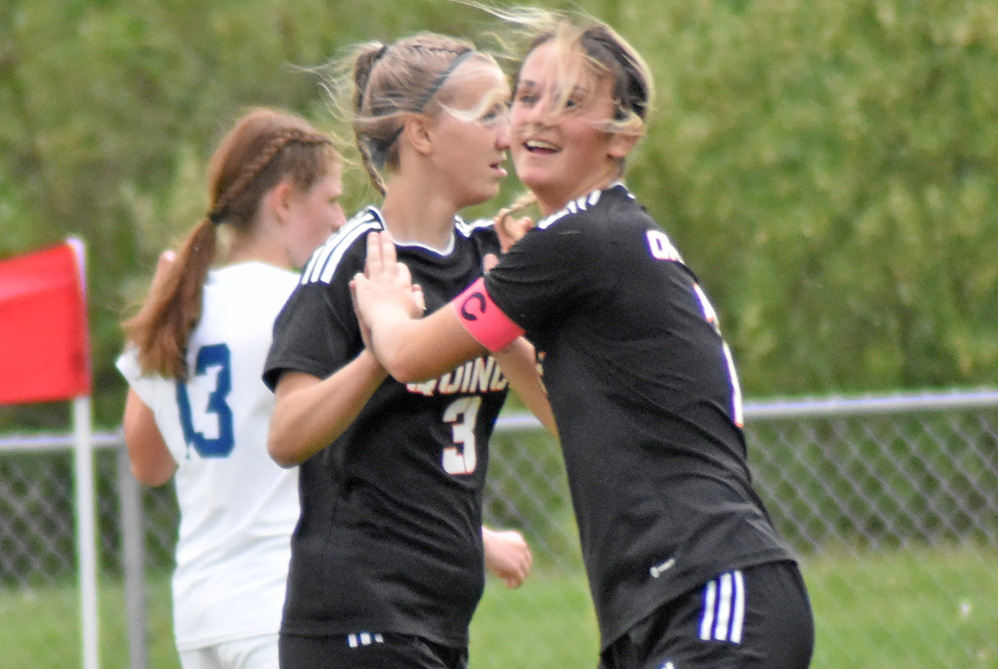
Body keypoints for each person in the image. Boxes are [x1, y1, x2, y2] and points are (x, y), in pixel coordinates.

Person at [351, 12, 815, 669]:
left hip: (709, 592)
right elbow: (572, 419)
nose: (536, 118)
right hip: (658, 605)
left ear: (621, 135)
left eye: (570, 102)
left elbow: (406, 354)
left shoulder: (578, 240)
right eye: (527, 97)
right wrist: (511, 333)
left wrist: (383, 307)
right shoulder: (595, 238)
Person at [261, 33, 553, 669]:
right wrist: (380, 352)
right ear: (420, 133)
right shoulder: (354, 262)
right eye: (489, 114)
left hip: (442, 624)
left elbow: (566, 414)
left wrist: (511, 317)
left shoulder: (490, 261)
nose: (508, 134)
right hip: (355, 619)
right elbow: (285, 436)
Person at [116, 108, 347, 669]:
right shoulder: (300, 302)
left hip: (201, 611)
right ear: (285, 201)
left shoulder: (182, 306)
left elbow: (148, 464)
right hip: (277, 603)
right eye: (333, 200)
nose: (342, 220)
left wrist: (154, 316)